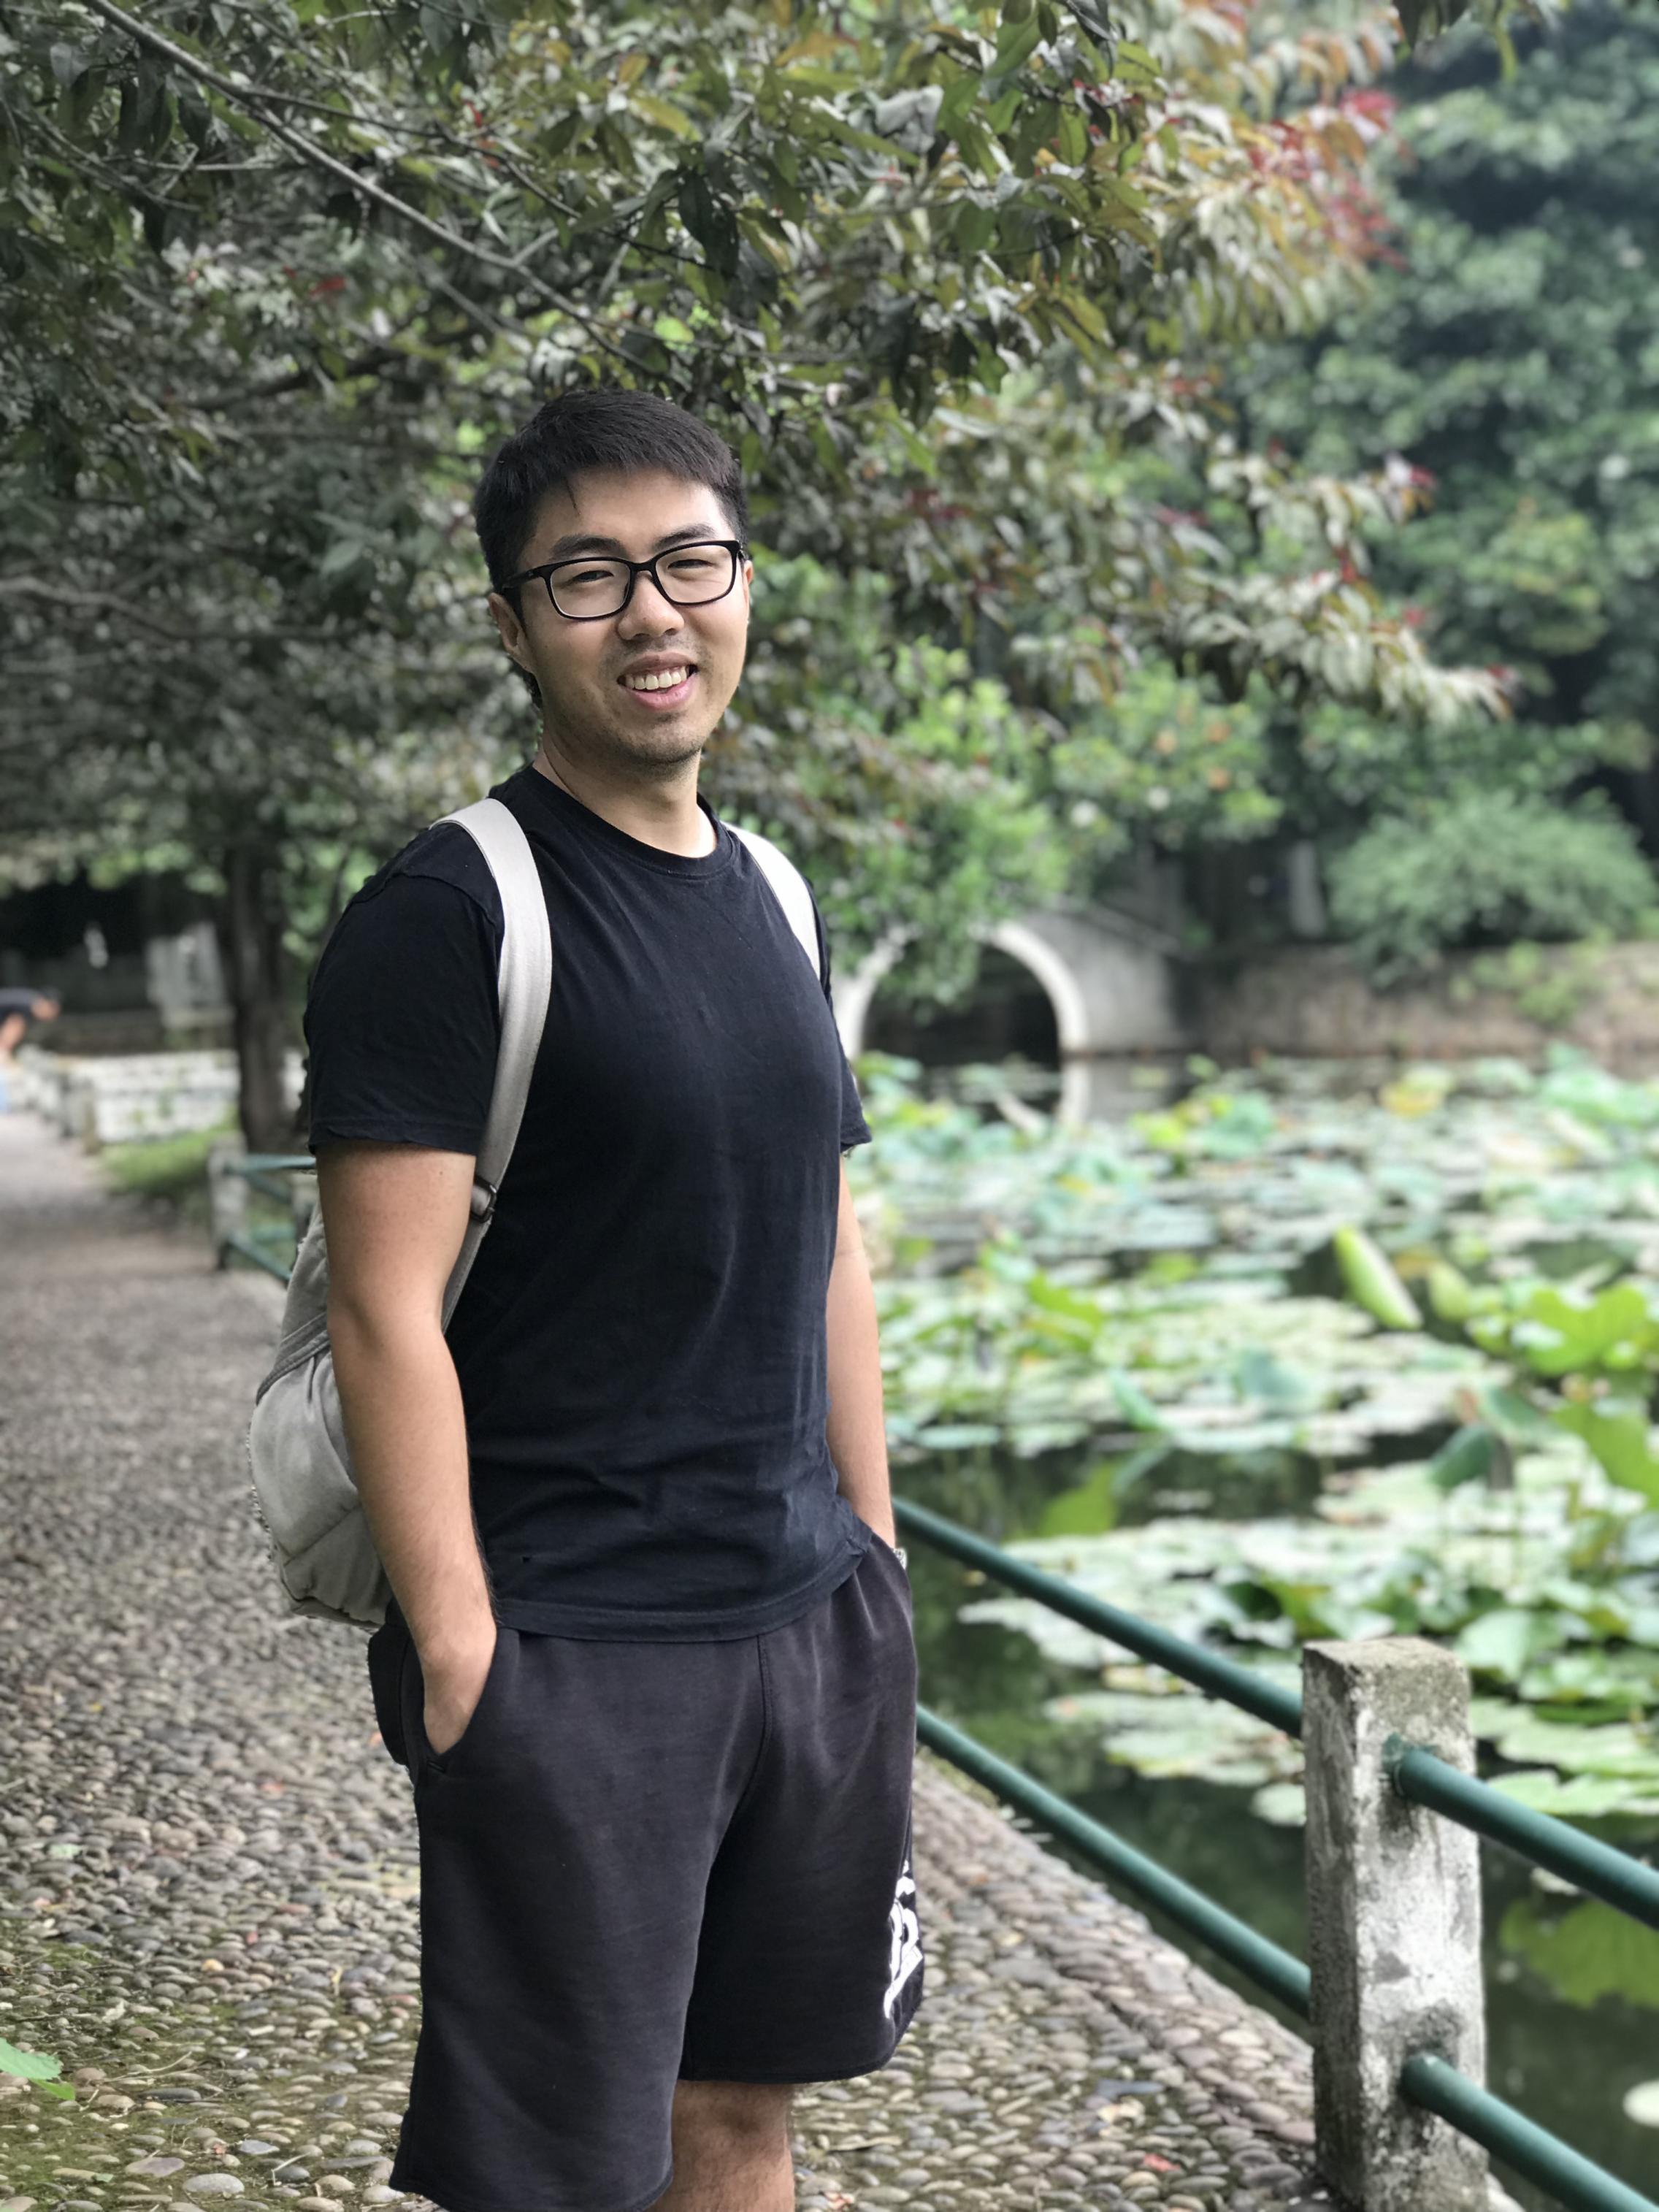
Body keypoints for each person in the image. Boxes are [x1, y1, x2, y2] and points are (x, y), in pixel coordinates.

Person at [302, 386, 922, 2212]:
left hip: (801, 1618)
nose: (652, 611)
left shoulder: (777, 898)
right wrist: (462, 1644)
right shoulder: (446, 913)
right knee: (553, 2170)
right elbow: (381, 1309)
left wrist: (874, 1561)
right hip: (572, 1639)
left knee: (742, 2117)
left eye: (688, 560)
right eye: (587, 576)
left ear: (744, 585)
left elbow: (823, 1236)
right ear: (513, 625)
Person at [0, 987, 61, 1112]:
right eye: (51, 1013)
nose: (49, 1018)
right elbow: (9, 1035)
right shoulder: (24, 1007)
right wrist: (6, 1056)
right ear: (46, 1005)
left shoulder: (28, 1001)